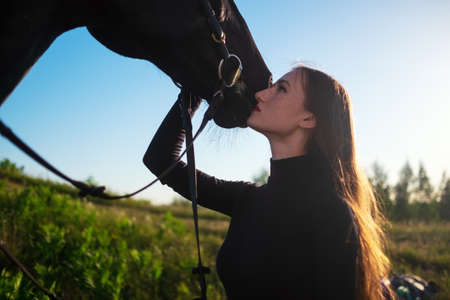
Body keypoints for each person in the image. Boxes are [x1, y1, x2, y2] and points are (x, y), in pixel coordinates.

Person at [143, 65, 393, 299]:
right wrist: (195, 87)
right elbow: (160, 160)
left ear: (308, 119)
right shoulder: (247, 199)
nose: (261, 94)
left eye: (281, 89)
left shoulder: (332, 215)